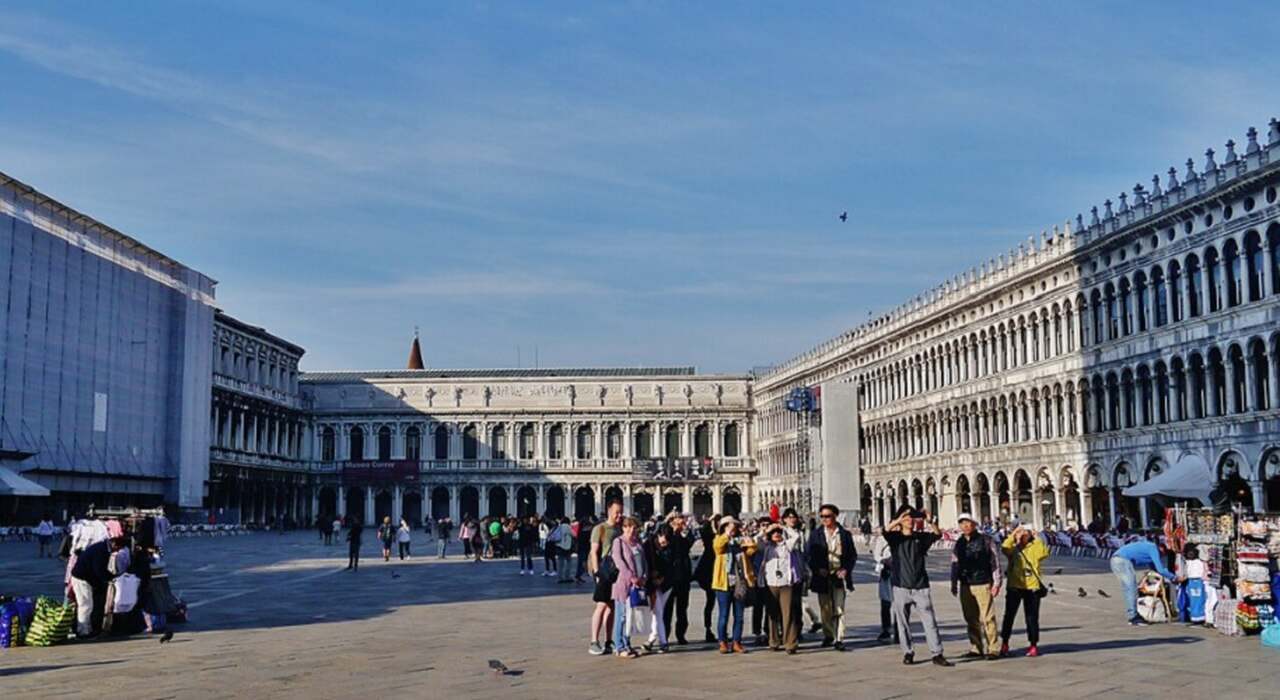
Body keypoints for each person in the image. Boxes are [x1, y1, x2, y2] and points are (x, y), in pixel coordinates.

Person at [884, 506, 952, 667]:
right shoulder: (895, 538)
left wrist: (929, 520)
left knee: (930, 621)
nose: (910, 521)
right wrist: (899, 519)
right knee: (903, 623)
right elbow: (885, 531)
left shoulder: (920, 538)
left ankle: (937, 653)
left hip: (920, 585)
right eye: (907, 518)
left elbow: (937, 534)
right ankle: (908, 652)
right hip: (900, 585)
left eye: (912, 518)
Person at [950, 512, 1003, 659]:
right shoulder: (959, 542)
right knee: (970, 617)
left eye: (968, 522)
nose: (965, 526)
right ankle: (976, 647)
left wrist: (997, 582)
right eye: (962, 523)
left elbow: (995, 562)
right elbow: (954, 563)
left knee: (987, 617)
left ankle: (993, 648)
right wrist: (954, 582)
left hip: (983, 582)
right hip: (965, 583)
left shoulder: (986, 540)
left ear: (974, 524)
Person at [806, 503, 857, 650]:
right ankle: (828, 634)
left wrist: (846, 569)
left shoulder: (845, 534)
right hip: (822, 575)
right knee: (825, 608)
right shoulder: (816, 534)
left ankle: (839, 638)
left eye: (827, 516)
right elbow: (809, 555)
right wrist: (817, 569)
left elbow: (852, 555)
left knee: (839, 607)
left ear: (835, 516)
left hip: (839, 575)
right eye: (822, 516)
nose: (824, 519)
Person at [1000, 523, 1049, 657]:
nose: (1022, 536)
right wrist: (1014, 534)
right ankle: (1005, 642)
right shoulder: (1013, 549)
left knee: (1032, 617)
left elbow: (1044, 553)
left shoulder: (1034, 547)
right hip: (1014, 586)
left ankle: (1033, 644)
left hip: (1032, 587)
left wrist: (1036, 537)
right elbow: (1004, 548)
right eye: (1020, 534)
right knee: (1009, 616)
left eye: (1025, 534)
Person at [712, 515, 757, 654]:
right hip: (723, 583)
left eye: (734, 526)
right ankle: (723, 642)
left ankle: (737, 642)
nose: (733, 528)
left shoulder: (740, 542)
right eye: (730, 526)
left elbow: (752, 550)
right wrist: (727, 534)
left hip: (739, 583)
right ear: (724, 527)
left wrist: (748, 539)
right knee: (724, 615)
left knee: (739, 616)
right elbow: (718, 547)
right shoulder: (720, 539)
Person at [1111, 538, 1179, 625]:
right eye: (1163, 554)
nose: (1162, 556)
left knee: (1128, 589)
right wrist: (1174, 578)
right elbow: (1160, 570)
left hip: (1116, 559)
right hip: (1122, 561)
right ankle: (1133, 617)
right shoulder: (1153, 548)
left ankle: (1132, 614)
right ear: (1162, 548)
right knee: (1131, 589)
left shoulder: (1149, 547)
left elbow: (1155, 568)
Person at [759, 523, 802, 653]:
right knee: (772, 614)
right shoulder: (766, 547)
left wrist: (784, 527)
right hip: (771, 582)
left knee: (788, 613)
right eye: (774, 533)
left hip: (786, 583)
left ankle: (790, 643)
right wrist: (765, 530)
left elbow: (796, 536)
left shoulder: (787, 545)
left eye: (778, 532)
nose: (776, 534)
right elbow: (756, 540)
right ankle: (773, 641)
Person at [588, 502, 623, 656]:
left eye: (621, 512)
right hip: (603, 571)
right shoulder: (600, 529)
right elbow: (594, 551)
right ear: (609, 511)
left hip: (615, 572)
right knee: (601, 605)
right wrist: (597, 573)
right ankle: (594, 641)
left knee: (611, 607)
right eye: (617, 512)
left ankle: (609, 640)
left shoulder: (620, 529)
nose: (619, 515)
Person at [610, 516, 646, 659]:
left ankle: (628, 644)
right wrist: (632, 577)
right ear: (623, 528)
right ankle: (619, 646)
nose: (631, 530)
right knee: (621, 616)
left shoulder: (638, 543)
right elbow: (619, 562)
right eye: (628, 527)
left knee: (631, 617)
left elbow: (644, 561)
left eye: (634, 527)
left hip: (637, 585)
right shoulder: (618, 542)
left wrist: (644, 577)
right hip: (623, 585)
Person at [643, 523, 676, 652]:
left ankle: (659, 641)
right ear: (658, 535)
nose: (665, 542)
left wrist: (663, 578)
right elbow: (645, 562)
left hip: (666, 583)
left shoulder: (671, 546)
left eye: (668, 540)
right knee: (658, 612)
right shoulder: (648, 545)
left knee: (658, 612)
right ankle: (657, 640)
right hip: (652, 583)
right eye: (664, 539)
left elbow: (672, 565)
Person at [662, 513, 693, 645]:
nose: (680, 525)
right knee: (667, 610)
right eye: (677, 522)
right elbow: (664, 547)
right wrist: (672, 530)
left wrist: (685, 531)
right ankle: (665, 635)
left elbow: (690, 543)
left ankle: (681, 634)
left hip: (683, 577)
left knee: (682, 609)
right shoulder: (666, 534)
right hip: (670, 577)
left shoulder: (684, 536)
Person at [693, 514, 719, 643]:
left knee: (715, 603)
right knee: (711, 602)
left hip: (717, 571)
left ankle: (714, 629)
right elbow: (703, 531)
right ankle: (708, 629)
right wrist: (710, 520)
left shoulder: (721, 536)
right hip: (709, 571)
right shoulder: (709, 539)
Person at [874, 534, 899, 644]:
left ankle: (899, 630)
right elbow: (876, 554)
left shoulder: (902, 537)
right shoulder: (883, 538)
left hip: (900, 573)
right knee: (885, 603)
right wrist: (884, 560)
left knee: (899, 605)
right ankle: (886, 629)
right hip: (887, 573)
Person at [554, 517, 575, 583]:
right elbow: (574, 534)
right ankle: (567, 576)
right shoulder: (568, 527)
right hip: (567, 547)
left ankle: (560, 578)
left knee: (560, 563)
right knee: (569, 562)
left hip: (559, 546)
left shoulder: (559, 527)